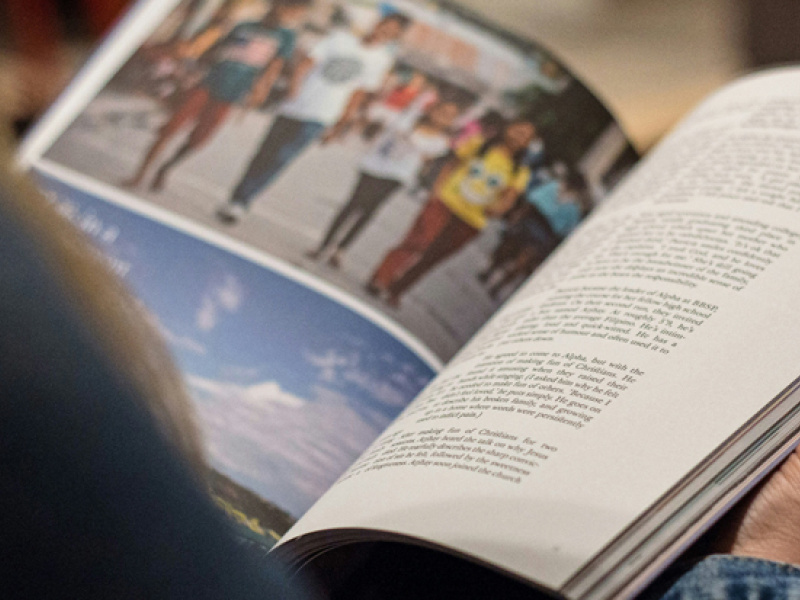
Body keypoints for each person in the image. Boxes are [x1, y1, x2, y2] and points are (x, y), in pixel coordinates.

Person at [216, 11, 412, 224]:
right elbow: (306, 63)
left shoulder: (380, 60)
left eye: (392, 32)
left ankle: (242, 201)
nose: (384, 32)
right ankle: (236, 195)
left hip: (323, 116)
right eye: (385, 26)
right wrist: (294, 87)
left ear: (395, 37)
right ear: (378, 23)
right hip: (295, 106)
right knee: (265, 152)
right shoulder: (341, 39)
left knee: (281, 158)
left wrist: (340, 125)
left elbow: (358, 94)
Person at [122, 0, 312, 192]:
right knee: (171, 127)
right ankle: (140, 174)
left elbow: (273, 68)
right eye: (291, 9)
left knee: (199, 139)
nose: (291, 15)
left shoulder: (286, 37)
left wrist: (258, 93)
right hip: (207, 83)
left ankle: (166, 167)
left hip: (232, 93)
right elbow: (214, 51)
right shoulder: (244, 25)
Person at [366, 118, 537, 307]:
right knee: (418, 240)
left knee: (433, 257)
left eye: (525, 136)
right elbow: (451, 164)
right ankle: (381, 278)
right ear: (508, 128)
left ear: (527, 143)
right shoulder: (479, 144)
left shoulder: (520, 171)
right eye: (518, 130)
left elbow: (508, 198)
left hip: (471, 220)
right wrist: (436, 190)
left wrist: (496, 209)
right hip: (445, 202)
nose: (518, 137)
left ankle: (397, 289)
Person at [306, 99, 460, 268]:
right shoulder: (410, 117)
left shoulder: (440, 141)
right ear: (432, 110)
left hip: (396, 175)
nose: (442, 117)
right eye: (441, 112)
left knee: (369, 209)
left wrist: (410, 135)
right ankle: (324, 245)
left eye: (448, 116)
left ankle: (341, 249)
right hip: (373, 165)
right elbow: (392, 122)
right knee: (352, 204)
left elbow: (425, 150)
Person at [478, 169, 588, 299]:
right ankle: (490, 270)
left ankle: (499, 285)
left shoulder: (573, 209)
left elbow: (563, 231)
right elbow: (532, 201)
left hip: (544, 235)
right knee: (507, 247)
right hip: (529, 222)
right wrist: (517, 218)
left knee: (524, 260)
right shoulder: (553, 187)